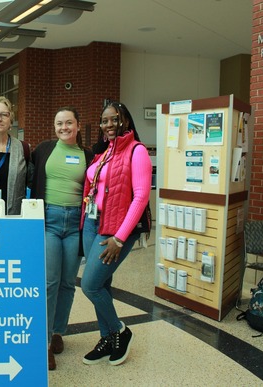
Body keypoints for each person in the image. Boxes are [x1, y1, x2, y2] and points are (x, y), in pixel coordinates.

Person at [80, 100, 152, 366]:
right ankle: (107, 338)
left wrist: (120, 238)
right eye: (105, 120)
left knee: (89, 284)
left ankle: (120, 330)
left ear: (126, 121)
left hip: (114, 229)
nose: (109, 125)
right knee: (102, 284)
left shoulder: (137, 151)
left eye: (115, 119)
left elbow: (141, 197)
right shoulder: (104, 152)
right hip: (91, 223)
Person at [31, 107, 93, 370]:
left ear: (78, 126)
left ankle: (58, 332)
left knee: (68, 282)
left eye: (69, 123)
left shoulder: (88, 155)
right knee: (50, 282)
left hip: (75, 223)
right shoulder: (44, 150)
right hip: (49, 221)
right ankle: (44, 343)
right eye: (59, 123)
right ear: (54, 126)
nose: (64, 127)